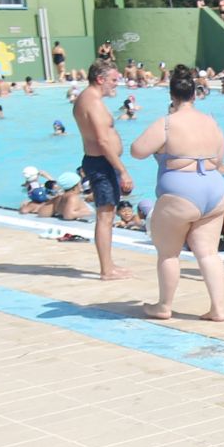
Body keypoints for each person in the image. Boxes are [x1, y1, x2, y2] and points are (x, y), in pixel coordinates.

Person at [128, 64, 224, 323]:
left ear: (172, 96)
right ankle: (217, 309)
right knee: (208, 253)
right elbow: (218, 160)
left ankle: (164, 305)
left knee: (169, 253)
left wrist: (162, 151)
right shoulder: (211, 123)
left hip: (180, 193)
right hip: (214, 189)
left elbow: (137, 150)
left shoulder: (166, 124)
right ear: (195, 95)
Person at [75, 60, 135, 281]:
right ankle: (106, 270)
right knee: (105, 217)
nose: (115, 84)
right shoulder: (94, 103)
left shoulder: (85, 99)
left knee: (106, 215)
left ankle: (108, 264)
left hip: (98, 162)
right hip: (102, 163)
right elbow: (102, 140)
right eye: (112, 80)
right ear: (100, 79)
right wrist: (123, 170)